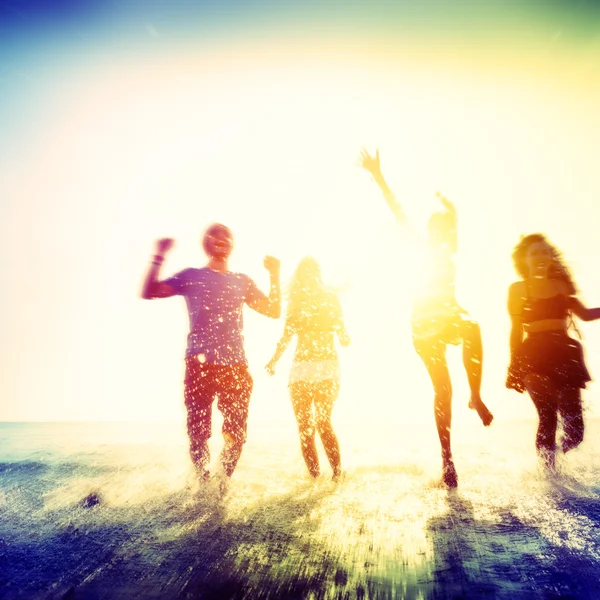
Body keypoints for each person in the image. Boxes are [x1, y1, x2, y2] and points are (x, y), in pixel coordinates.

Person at [359, 148, 493, 488]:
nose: (442, 235)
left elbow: (455, 230)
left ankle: (475, 396)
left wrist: (453, 213)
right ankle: (447, 459)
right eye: (437, 230)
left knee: (473, 326)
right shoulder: (420, 245)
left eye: (445, 231)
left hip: (448, 317)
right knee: (443, 389)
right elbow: (399, 213)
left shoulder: (450, 252)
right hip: (423, 327)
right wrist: (379, 177)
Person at [141, 223, 281, 482]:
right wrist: (158, 256)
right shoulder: (191, 275)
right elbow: (150, 291)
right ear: (206, 244)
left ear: (232, 244)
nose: (221, 238)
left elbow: (273, 311)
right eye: (215, 235)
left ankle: (221, 485)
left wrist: (274, 275)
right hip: (199, 365)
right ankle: (202, 482)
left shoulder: (242, 281)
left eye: (226, 235)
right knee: (198, 434)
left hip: (235, 367)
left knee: (236, 435)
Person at [506, 233, 600, 470]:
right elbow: (516, 330)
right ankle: (548, 476)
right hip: (533, 355)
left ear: (550, 257)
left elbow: (586, 315)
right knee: (547, 416)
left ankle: (560, 454)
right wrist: (513, 366)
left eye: (545, 252)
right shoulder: (518, 289)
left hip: (564, 354)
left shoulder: (560, 286)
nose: (541, 256)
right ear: (525, 259)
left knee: (576, 432)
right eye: (535, 253)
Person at [265, 257, 350, 480]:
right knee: (305, 427)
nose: (310, 275)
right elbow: (286, 336)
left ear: (318, 275)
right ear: (300, 277)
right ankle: (314, 480)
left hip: (327, 367)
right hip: (301, 369)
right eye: (306, 272)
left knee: (323, 421)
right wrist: (274, 360)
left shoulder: (331, 299)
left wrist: (341, 332)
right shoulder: (295, 304)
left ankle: (337, 475)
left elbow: (343, 336)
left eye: (314, 271)